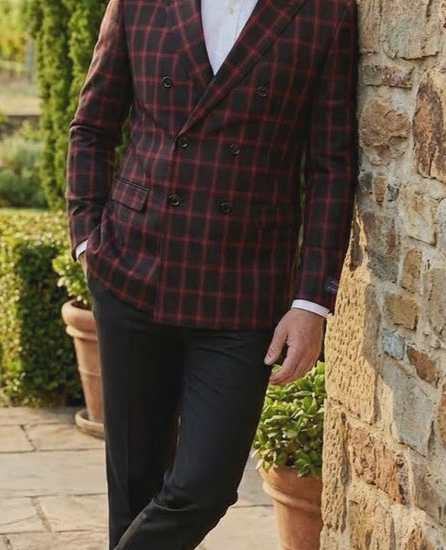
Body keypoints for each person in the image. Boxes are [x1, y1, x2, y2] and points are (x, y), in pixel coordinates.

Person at [66, 0, 358, 548]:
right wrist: (87, 236)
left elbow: (331, 168)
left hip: (245, 288)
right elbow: (92, 127)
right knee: (133, 486)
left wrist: (311, 302)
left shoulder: (324, 12)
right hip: (131, 269)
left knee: (205, 486)